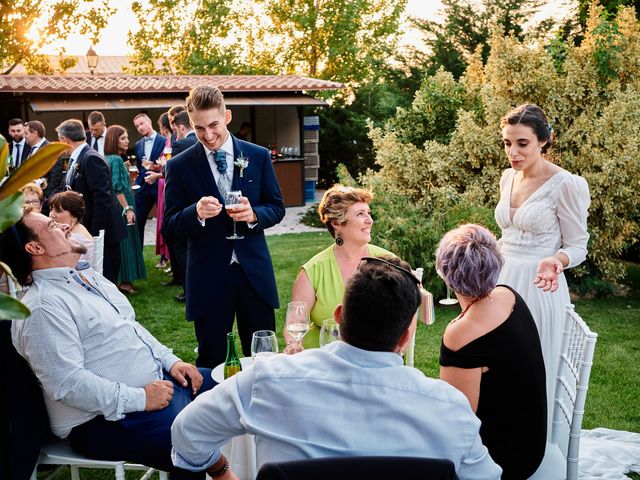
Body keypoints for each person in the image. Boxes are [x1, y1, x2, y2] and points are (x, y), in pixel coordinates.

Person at [171, 256, 502, 480]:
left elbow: (186, 434)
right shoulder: (449, 410)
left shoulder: (266, 380)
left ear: (340, 316)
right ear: (404, 336)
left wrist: (221, 470)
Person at [0, 210, 216, 479]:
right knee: (198, 440)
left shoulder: (84, 277)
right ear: (35, 247)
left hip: (157, 386)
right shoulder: (43, 306)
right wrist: (141, 399)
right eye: (53, 225)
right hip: (102, 421)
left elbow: (131, 327)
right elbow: (69, 384)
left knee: (236, 389)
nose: (66, 226)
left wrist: (172, 362)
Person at [163, 85, 285, 368]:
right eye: (199, 128)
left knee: (263, 357)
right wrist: (196, 212)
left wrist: (254, 214)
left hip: (254, 274)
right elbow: (169, 226)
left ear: (227, 116)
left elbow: (276, 207)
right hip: (208, 277)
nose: (208, 135)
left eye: (213, 125)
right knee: (212, 358)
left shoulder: (257, 156)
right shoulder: (179, 166)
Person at [494, 103, 590, 425]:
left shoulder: (566, 184)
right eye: (508, 143)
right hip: (500, 280)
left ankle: (534, 439)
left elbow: (578, 246)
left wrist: (557, 259)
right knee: (499, 361)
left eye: (522, 143)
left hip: (539, 283)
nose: (513, 152)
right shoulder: (508, 177)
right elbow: (507, 233)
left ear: (544, 141)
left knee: (532, 364)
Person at [436, 224, 547, 479]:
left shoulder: (462, 333)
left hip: (502, 458)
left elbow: (456, 417)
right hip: (531, 439)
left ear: (446, 273)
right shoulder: (508, 294)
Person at [285, 185, 392, 351]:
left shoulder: (388, 263)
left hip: (375, 356)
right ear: (337, 223)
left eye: (368, 213)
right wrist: (294, 345)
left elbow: (407, 314)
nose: (370, 220)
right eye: (360, 214)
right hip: (322, 357)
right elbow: (295, 321)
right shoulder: (313, 270)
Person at [57, 118, 126, 284]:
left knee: (105, 279)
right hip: (90, 228)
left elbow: (102, 198)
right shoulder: (76, 158)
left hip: (103, 231)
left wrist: (94, 235)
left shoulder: (91, 158)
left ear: (65, 140)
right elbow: (63, 188)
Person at [104, 124, 147, 294]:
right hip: (123, 205)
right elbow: (117, 188)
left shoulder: (109, 158)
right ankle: (124, 281)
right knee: (126, 241)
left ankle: (122, 279)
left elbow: (124, 185)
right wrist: (128, 209)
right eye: (123, 138)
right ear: (114, 140)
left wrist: (129, 175)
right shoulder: (115, 159)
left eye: (127, 137)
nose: (127, 140)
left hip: (117, 204)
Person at [133, 113, 166, 246]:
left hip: (159, 184)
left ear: (149, 121)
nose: (140, 128)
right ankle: (138, 259)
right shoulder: (138, 144)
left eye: (142, 123)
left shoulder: (164, 141)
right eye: (137, 126)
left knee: (164, 222)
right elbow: (139, 166)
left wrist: (155, 167)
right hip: (142, 187)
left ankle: (165, 257)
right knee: (138, 223)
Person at [48, 191, 95, 266]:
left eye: (58, 211)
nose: (51, 215)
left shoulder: (74, 239)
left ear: (74, 215)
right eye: (51, 209)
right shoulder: (78, 227)